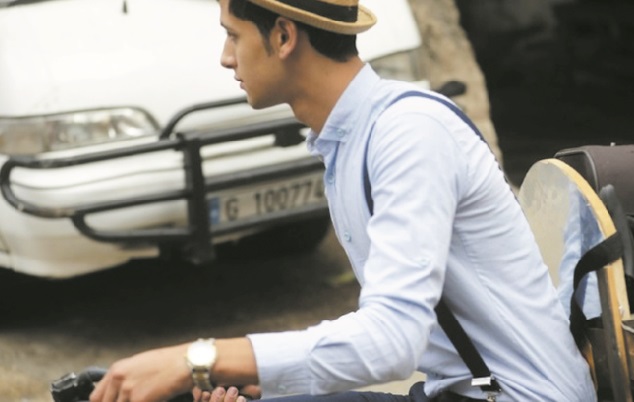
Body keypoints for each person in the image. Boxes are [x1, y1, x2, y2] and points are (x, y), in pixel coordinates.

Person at [89, 0, 597, 401]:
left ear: (284, 36)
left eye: (232, 34)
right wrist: (266, 377)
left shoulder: (407, 134)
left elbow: (390, 342)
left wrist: (196, 358)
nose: (226, 56)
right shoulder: (347, 141)